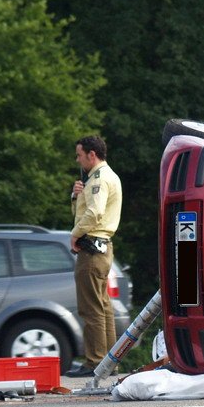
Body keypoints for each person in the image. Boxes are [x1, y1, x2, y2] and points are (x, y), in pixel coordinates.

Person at [65, 135, 122, 378]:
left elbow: (95, 213)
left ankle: (95, 361)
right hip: (102, 247)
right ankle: (109, 361)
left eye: (79, 155)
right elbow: (85, 211)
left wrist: (75, 235)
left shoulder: (99, 179)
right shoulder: (101, 178)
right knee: (103, 307)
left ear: (91, 154)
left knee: (91, 309)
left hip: (91, 249)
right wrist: (76, 196)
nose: (77, 159)